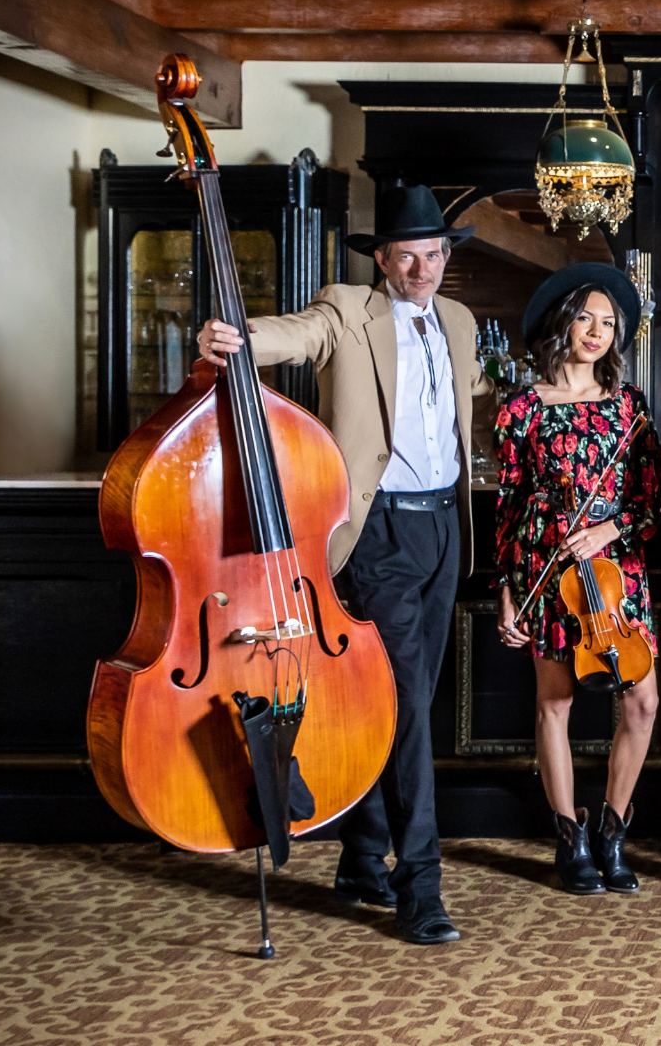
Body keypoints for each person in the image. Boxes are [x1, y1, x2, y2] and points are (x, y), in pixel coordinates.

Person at [196, 184, 489, 945]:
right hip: (377, 532)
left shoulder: (459, 322)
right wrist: (233, 336)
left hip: (445, 529)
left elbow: (471, 395)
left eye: (434, 255)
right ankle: (420, 887)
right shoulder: (347, 310)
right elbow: (290, 336)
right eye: (408, 256)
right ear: (382, 259)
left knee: (402, 703)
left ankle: (361, 859)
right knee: (411, 711)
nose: (422, 269)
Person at [493, 263, 661, 898]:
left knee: (642, 702)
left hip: (616, 573)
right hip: (546, 567)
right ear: (562, 323)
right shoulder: (521, 408)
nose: (597, 331)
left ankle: (613, 832)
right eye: (586, 318)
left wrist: (607, 529)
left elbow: (652, 501)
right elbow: (509, 506)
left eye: (609, 323)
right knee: (555, 703)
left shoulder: (629, 408)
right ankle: (570, 838)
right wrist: (507, 590)